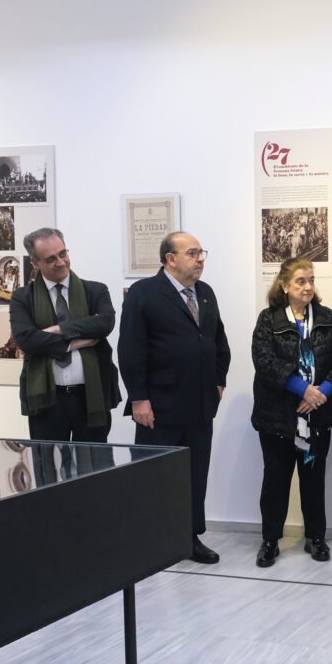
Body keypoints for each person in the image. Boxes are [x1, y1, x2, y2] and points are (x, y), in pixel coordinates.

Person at [118, 232, 231, 564]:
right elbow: (131, 349)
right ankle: (152, 542)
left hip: (199, 404)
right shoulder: (144, 293)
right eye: (192, 253)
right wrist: (139, 398)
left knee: (196, 474)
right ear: (170, 259)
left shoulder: (205, 293)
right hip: (159, 405)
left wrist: (219, 380)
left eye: (201, 252)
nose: (200, 259)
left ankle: (189, 538)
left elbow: (218, 341)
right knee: (156, 476)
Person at [250, 257, 332, 566]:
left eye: (311, 280)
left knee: (313, 480)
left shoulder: (326, 317)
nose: (308, 287)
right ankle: (270, 541)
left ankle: (315, 538)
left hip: (317, 417)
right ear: (284, 285)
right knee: (276, 481)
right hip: (279, 418)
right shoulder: (269, 319)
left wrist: (320, 393)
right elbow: (264, 362)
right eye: (301, 281)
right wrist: (301, 389)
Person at [9, 227, 121, 442]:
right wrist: (73, 344)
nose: (60, 262)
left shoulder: (95, 291)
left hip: (92, 395)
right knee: (48, 468)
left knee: (95, 468)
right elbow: (26, 339)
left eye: (63, 254)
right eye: (50, 259)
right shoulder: (23, 298)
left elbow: (105, 323)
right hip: (47, 400)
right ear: (35, 263)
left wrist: (59, 329)